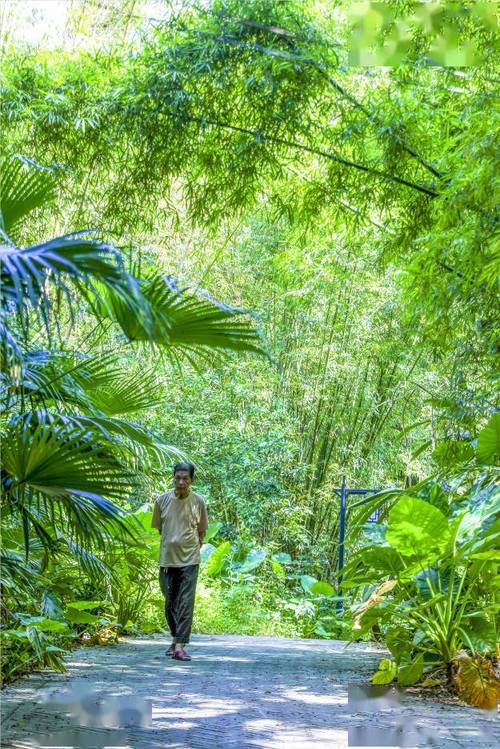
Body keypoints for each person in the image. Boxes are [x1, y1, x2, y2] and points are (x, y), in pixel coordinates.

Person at [151, 462, 208, 661]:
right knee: (170, 602)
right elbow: (160, 529)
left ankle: (180, 645)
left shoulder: (198, 501)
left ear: (192, 480)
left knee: (185, 602)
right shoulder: (162, 501)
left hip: (190, 559)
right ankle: (175, 639)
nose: (181, 482)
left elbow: (202, 531)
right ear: (173, 478)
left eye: (185, 478)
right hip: (167, 560)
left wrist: (191, 543)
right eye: (178, 478)